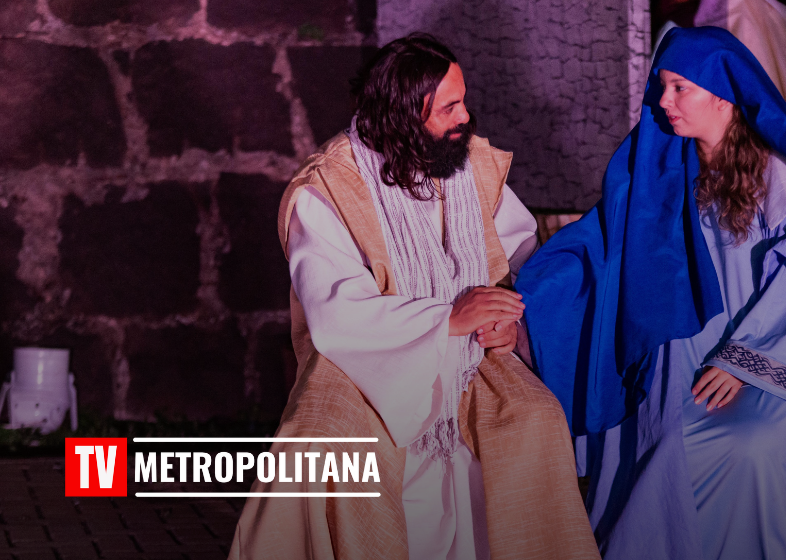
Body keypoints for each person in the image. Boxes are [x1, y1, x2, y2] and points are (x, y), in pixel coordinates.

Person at [516, 27, 786, 559]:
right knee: (661, 446)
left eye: (680, 88)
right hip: (672, 357)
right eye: (663, 86)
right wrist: (524, 302)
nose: (663, 101)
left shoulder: (778, 178)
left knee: (747, 448)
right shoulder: (655, 172)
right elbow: (600, 247)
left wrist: (744, 360)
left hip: (763, 359)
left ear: (723, 95)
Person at [228, 34, 598, 560]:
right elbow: (336, 314)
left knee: (534, 419)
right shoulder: (328, 188)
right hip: (366, 361)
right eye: (449, 107)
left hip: (473, 356)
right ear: (402, 114)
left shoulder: (472, 165)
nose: (465, 117)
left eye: (463, 100)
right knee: (325, 438)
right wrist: (446, 319)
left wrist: (510, 323)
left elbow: (521, 262)